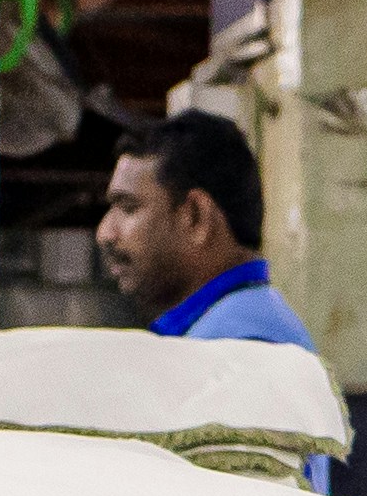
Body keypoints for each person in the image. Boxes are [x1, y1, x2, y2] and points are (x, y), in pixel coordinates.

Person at [97, 112, 314, 348]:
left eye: (128, 207)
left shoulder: (239, 345)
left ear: (195, 216)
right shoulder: (239, 326)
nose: (105, 233)